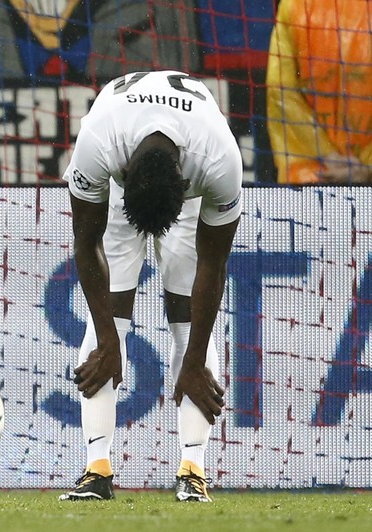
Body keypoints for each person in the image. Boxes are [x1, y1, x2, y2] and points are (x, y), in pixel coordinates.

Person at [60, 70, 242, 503]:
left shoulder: (219, 160)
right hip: (130, 178)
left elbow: (213, 267)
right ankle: (96, 470)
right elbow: (86, 244)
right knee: (111, 306)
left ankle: (193, 470)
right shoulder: (99, 143)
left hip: (186, 174)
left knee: (185, 308)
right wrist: (108, 340)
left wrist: (194, 360)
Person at [266, 0, 372, 185]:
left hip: (311, 177)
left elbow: (280, 92)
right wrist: (366, 168)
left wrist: (328, 156)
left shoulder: (294, 6)